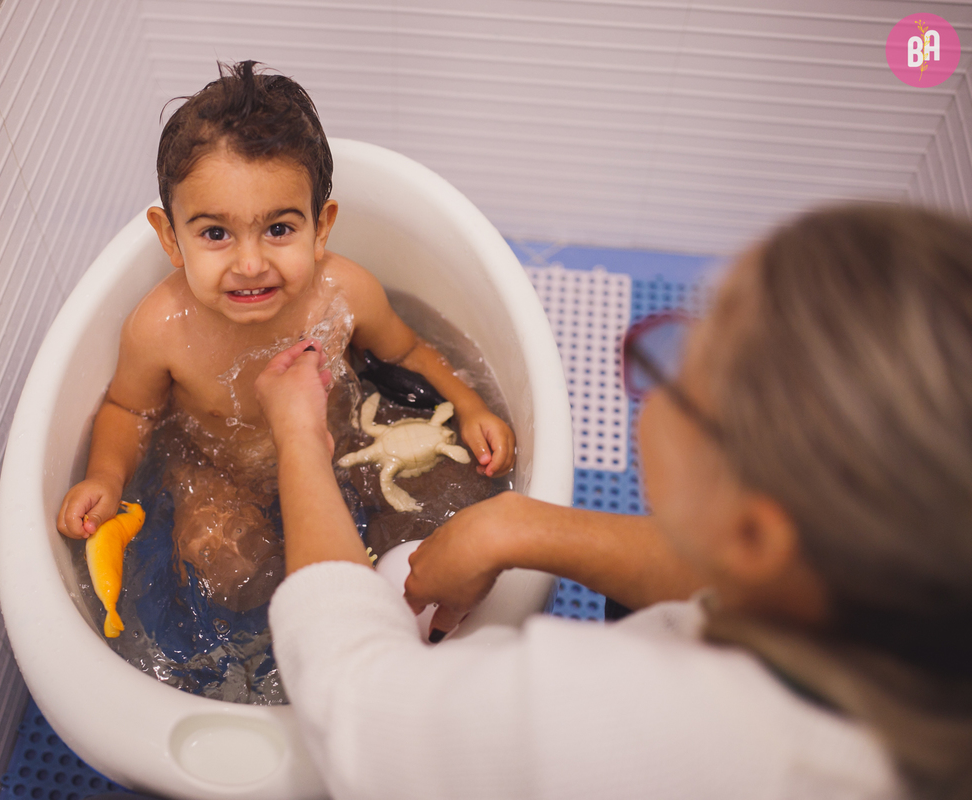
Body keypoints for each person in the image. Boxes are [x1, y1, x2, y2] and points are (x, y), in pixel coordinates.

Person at [256, 205, 972, 799]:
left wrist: (298, 437)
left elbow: (352, 699)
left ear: (752, 534)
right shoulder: (900, 627)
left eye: (682, 366)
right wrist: (513, 525)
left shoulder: (633, 732)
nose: (656, 378)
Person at [55, 61, 514, 611]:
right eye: (216, 233)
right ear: (171, 238)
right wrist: (106, 474)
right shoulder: (159, 329)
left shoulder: (344, 291)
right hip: (217, 471)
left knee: (436, 508)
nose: (250, 264)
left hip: (342, 444)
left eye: (278, 229)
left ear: (320, 227)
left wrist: (467, 405)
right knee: (224, 566)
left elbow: (407, 350)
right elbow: (129, 411)